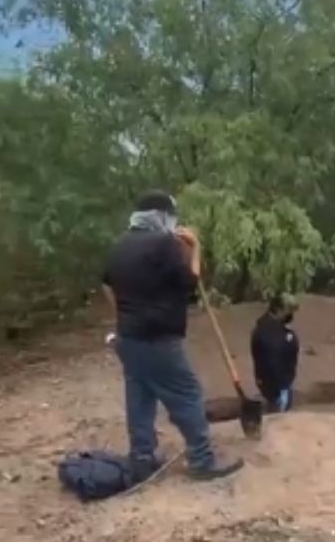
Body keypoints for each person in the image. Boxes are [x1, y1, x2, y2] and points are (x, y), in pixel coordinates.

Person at [102, 190, 242, 482]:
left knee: (139, 395)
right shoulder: (165, 244)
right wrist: (194, 247)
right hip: (159, 338)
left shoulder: (120, 245)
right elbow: (190, 283)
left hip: (128, 337)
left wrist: (125, 317)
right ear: (163, 216)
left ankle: (141, 458)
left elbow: (107, 285)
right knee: (188, 395)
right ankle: (202, 460)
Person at [251, 294, 300, 412]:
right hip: (277, 382)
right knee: (278, 414)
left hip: (273, 381)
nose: (290, 315)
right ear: (278, 310)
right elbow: (272, 359)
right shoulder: (268, 332)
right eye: (288, 311)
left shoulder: (264, 327)